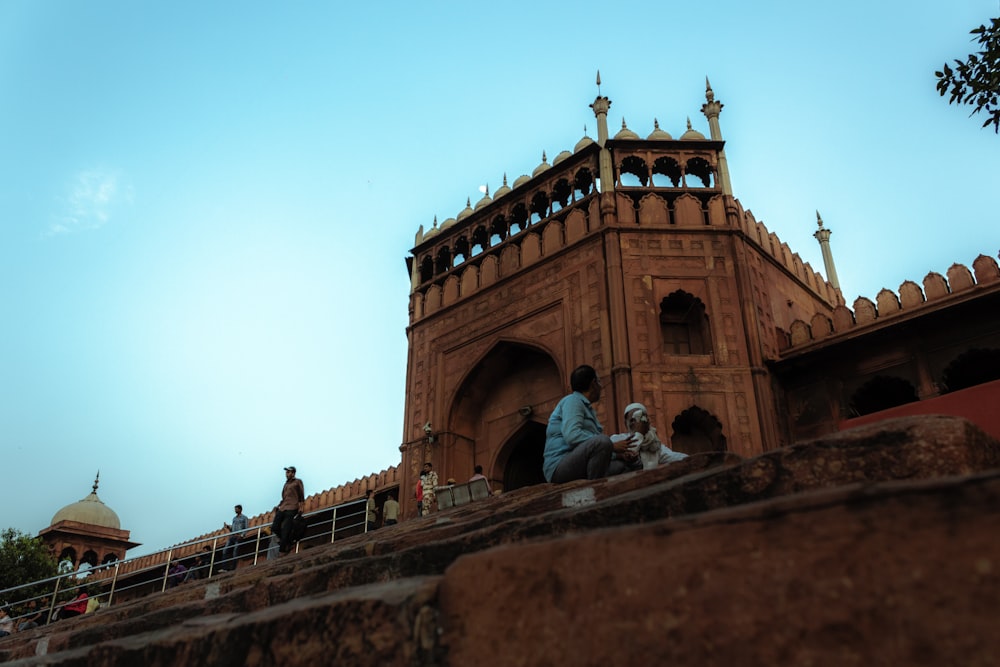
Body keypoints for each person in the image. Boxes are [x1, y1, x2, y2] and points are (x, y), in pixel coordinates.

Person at [543, 364, 637, 483]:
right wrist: (612, 446)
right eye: (599, 382)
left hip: (578, 463)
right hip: (560, 467)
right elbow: (572, 435)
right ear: (594, 383)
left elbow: (594, 451)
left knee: (623, 466)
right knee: (602, 441)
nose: (601, 386)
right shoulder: (573, 401)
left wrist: (620, 455)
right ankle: (594, 490)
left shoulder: (586, 408)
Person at [616, 402, 688, 470]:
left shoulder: (653, 444)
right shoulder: (618, 440)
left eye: (638, 419)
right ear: (626, 424)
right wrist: (640, 434)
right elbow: (631, 452)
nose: (635, 424)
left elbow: (677, 457)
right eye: (631, 420)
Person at [272, 466, 305, 554]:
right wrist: (278, 506)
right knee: (274, 527)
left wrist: (301, 507)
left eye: (289, 472)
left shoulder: (298, 482)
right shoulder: (286, 484)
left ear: (293, 473)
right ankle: (286, 541)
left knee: (286, 529)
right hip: (283, 507)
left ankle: (283, 549)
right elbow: (284, 497)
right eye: (286, 472)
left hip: (292, 507)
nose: (287, 474)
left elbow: (301, 496)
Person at [221, 504, 249, 570]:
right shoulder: (234, 518)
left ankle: (233, 568)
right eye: (235, 509)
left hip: (238, 536)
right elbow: (232, 529)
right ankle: (224, 567)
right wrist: (228, 527)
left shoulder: (244, 518)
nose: (235, 510)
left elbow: (246, 528)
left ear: (240, 509)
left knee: (235, 552)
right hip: (232, 536)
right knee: (225, 550)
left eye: (236, 509)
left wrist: (242, 535)